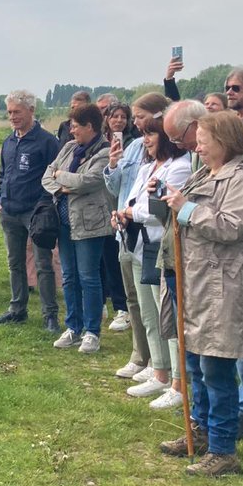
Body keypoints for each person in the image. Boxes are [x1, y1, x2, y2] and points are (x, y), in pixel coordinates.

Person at [159, 112, 243, 477]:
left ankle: (223, 450)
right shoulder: (205, 173)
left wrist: (186, 210)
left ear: (225, 140)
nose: (197, 146)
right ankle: (200, 432)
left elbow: (235, 226)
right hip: (199, 284)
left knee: (217, 369)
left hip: (226, 289)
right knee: (195, 366)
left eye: (204, 139)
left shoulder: (241, 179)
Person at [113, 111, 191, 409]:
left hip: (160, 245)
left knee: (166, 315)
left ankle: (177, 380)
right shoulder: (148, 166)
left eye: (150, 134)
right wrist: (123, 212)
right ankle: (158, 369)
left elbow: (159, 210)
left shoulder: (179, 167)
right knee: (147, 312)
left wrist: (132, 212)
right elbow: (133, 200)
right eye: (143, 134)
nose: (144, 140)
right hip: (138, 242)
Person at [104, 94, 166, 379]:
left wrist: (130, 213)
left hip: (150, 236)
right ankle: (140, 355)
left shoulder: (171, 154)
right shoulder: (132, 148)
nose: (135, 123)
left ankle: (160, 364)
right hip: (125, 234)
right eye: (137, 117)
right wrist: (113, 165)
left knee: (156, 302)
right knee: (134, 299)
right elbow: (116, 189)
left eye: (140, 117)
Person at [0, 90, 61, 332]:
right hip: (9, 211)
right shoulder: (9, 141)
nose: (12, 117)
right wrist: (0, 198)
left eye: (17, 112)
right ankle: (17, 308)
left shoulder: (47, 142)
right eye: (9, 112)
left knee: (43, 264)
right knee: (15, 263)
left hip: (35, 212)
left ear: (31, 111)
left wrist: (43, 206)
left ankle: (49, 314)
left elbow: (54, 177)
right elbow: (3, 173)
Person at [43, 102, 111, 353]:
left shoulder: (103, 152)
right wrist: (62, 184)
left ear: (89, 126)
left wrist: (61, 176)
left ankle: (92, 332)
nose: (71, 131)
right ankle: (73, 326)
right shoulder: (70, 147)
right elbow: (47, 175)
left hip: (89, 224)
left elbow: (88, 181)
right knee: (69, 276)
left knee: (88, 277)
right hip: (64, 221)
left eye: (75, 126)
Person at [101, 102, 135, 332]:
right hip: (102, 206)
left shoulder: (133, 143)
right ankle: (105, 301)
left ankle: (123, 307)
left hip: (121, 206)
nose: (119, 120)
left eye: (124, 116)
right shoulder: (100, 142)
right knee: (104, 258)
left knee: (118, 258)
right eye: (115, 116)